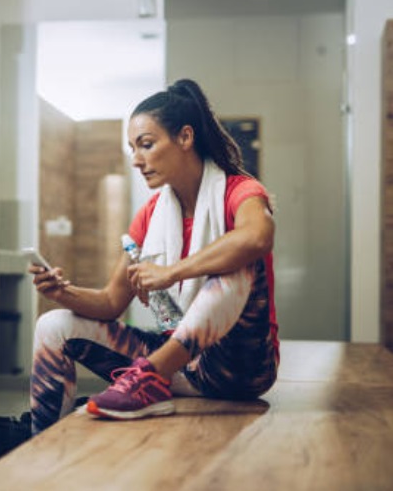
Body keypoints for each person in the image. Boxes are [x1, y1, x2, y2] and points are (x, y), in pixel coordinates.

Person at [28, 79, 279, 434]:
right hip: (180, 364)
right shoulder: (149, 215)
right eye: (133, 148)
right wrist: (61, 294)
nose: (136, 160)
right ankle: (40, 441)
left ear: (185, 138)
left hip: (240, 368)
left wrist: (171, 272)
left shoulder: (240, 191)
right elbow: (111, 301)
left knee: (236, 263)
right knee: (53, 326)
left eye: (146, 145)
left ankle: (147, 378)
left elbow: (257, 238)